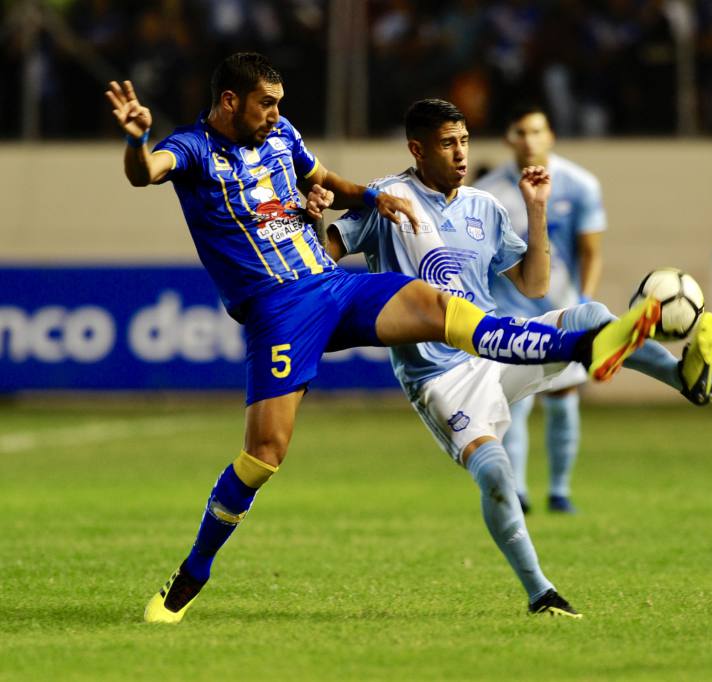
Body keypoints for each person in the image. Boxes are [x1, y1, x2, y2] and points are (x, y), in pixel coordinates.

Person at [105, 52, 663, 624]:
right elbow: (145, 172)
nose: (277, 113)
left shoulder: (281, 136)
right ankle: (193, 572)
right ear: (230, 102)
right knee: (263, 455)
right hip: (278, 311)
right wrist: (136, 142)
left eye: (279, 103)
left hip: (329, 286)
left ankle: (583, 344)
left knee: (432, 301)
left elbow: (322, 180)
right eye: (267, 103)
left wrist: (369, 197)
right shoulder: (194, 149)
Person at [323, 98, 712, 617]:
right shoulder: (388, 200)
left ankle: (682, 377)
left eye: (465, 141)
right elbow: (323, 256)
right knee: (495, 473)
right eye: (448, 143)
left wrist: (535, 209)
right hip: (439, 378)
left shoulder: (484, 208)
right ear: (417, 149)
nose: (461, 153)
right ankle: (541, 592)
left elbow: (535, 286)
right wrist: (317, 223)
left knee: (588, 313)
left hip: (497, 347)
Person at [475, 105, 606, 514]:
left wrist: (584, 299)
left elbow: (590, 252)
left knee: (564, 397)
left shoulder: (580, 184)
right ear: (508, 139)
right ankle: (519, 493)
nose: (529, 140)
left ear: (550, 136)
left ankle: (560, 490)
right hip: (509, 315)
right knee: (512, 403)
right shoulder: (490, 192)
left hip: (562, 309)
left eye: (536, 131)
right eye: (520, 131)